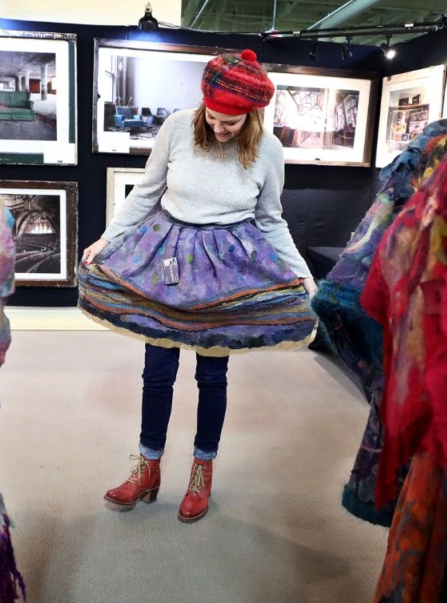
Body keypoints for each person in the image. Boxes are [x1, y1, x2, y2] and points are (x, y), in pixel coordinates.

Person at [77, 49, 317, 523]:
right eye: (214, 118)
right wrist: (109, 237)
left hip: (226, 265)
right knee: (158, 370)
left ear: (252, 115)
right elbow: (146, 192)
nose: (221, 129)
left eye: (232, 123)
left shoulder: (268, 150)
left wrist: (304, 275)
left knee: (212, 374)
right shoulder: (177, 127)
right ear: (203, 104)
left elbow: (271, 219)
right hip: (167, 253)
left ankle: (201, 471)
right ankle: (147, 467)